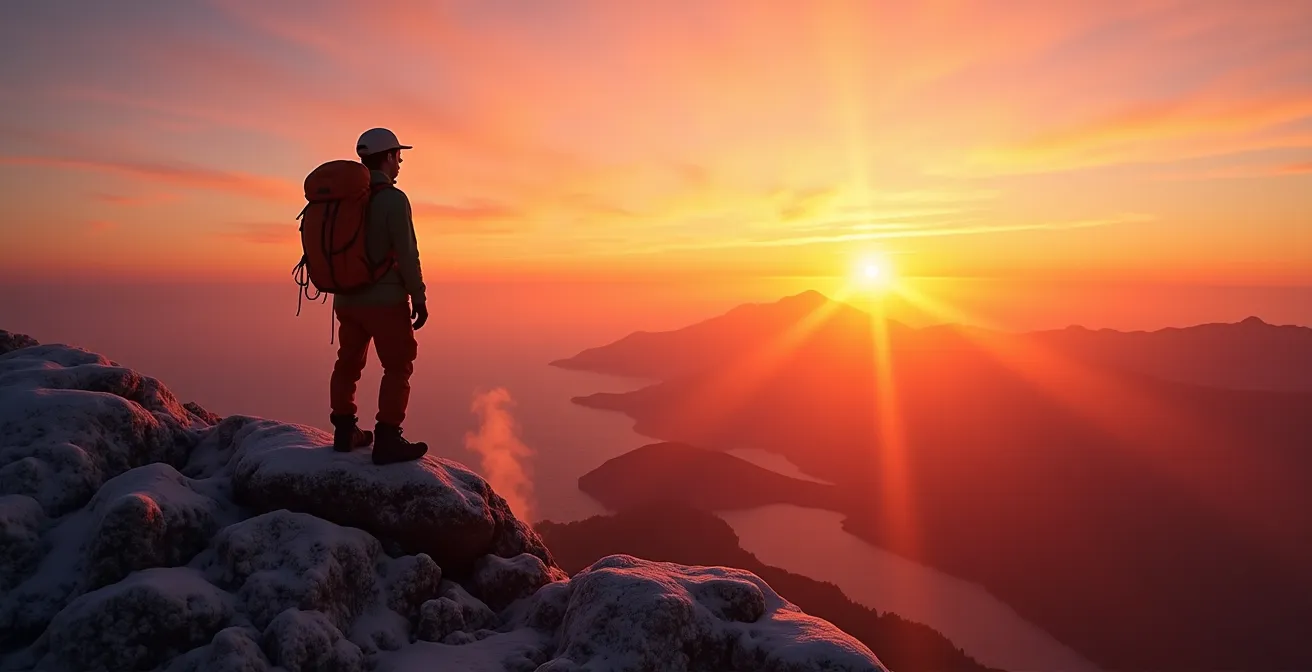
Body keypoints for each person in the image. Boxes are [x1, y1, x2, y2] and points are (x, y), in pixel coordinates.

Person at [328, 127, 430, 465]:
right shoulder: (392, 199)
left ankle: (345, 431)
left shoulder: (344, 199)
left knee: (348, 362)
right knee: (398, 366)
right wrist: (419, 296)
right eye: (398, 155)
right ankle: (387, 438)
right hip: (385, 301)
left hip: (346, 299)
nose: (400, 163)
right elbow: (407, 252)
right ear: (387, 156)